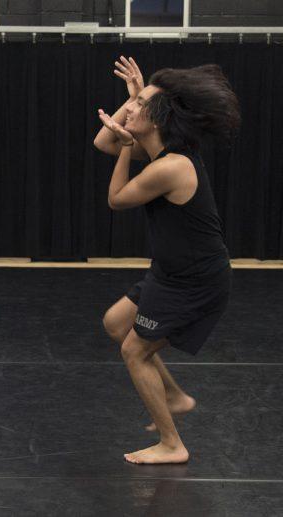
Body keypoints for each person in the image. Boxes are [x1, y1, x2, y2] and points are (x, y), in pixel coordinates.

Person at [94, 56, 240, 464]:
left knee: (134, 351)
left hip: (195, 280)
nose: (132, 109)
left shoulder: (172, 166)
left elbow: (116, 199)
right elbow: (102, 142)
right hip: (171, 272)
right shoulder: (162, 150)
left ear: (157, 122)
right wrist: (133, 100)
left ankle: (172, 444)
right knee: (115, 323)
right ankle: (174, 395)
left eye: (140, 106)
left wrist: (126, 145)